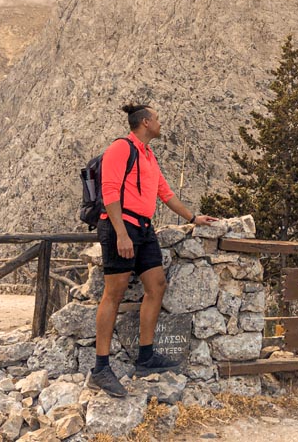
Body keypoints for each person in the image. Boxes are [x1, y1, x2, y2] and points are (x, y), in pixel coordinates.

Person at [87, 103, 217, 397]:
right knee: (114, 292)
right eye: (157, 118)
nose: (160, 122)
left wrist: (193, 218)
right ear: (145, 123)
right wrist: (121, 233)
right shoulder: (120, 148)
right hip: (121, 226)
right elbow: (109, 192)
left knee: (156, 285)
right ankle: (101, 369)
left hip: (144, 229)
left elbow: (165, 193)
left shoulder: (148, 155)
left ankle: (146, 357)